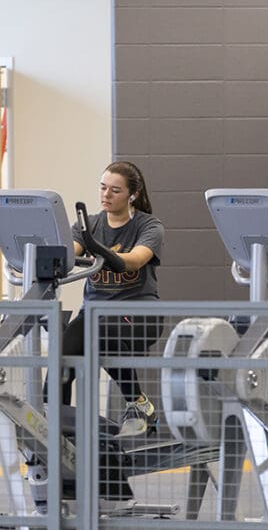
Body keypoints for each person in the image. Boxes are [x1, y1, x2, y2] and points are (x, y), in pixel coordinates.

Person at [59, 160, 165, 437]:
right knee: (64, 350)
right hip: (95, 314)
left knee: (100, 330)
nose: (106, 195)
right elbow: (69, 254)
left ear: (133, 195)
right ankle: (55, 417)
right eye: (103, 187)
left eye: (115, 190)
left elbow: (134, 260)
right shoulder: (89, 225)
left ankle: (138, 403)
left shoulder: (149, 226)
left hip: (140, 314)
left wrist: (100, 252)